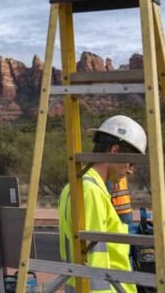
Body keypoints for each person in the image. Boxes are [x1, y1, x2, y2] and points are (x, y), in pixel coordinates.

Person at [58, 115, 147, 293]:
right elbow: (94, 260)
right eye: (131, 162)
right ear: (114, 150)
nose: (130, 170)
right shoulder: (89, 191)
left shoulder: (82, 187)